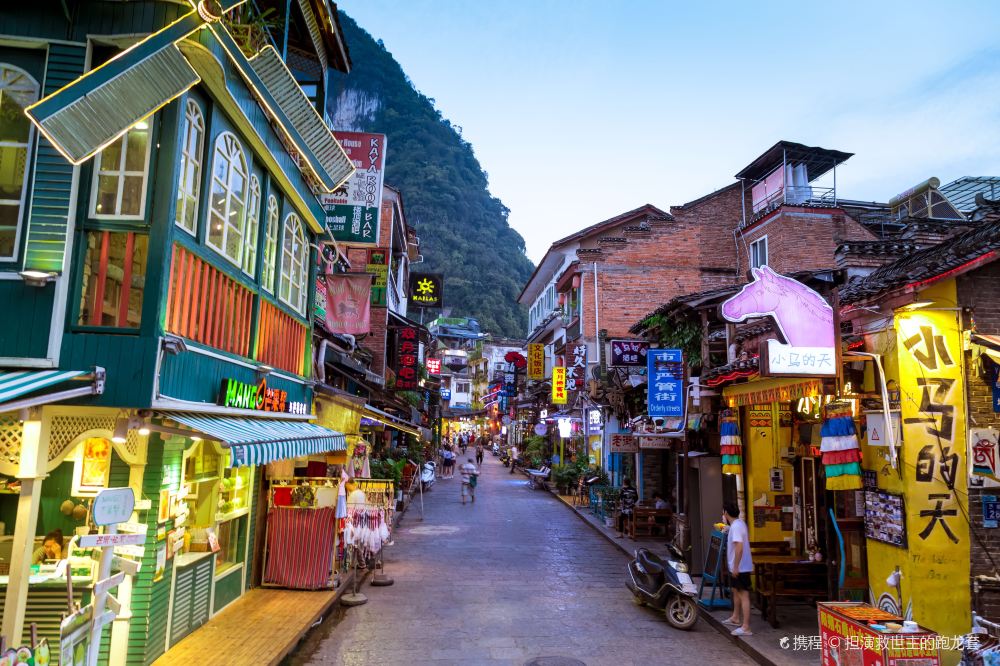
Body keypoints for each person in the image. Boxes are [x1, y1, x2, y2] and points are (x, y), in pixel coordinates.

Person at [722, 502, 754, 636]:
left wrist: (735, 567)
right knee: (736, 590)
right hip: (740, 566)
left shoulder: (736, 527)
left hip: (740, 567)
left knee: (743, 594)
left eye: (723, 512)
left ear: (726, 513)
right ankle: (735, 617)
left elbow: (739, 547)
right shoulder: (738, 524)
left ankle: (746, 627)